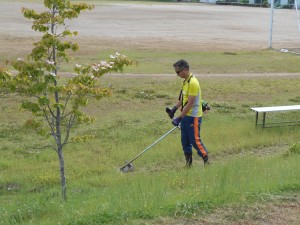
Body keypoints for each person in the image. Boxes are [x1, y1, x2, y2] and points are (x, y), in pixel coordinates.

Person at [166, 59, 209, 167]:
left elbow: (190, 103)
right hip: (185, 116)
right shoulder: (186, 81)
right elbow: (183, 99)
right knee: (185, 142)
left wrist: (179, 117)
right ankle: (188, 165)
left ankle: (207, 163)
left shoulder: (193, 83)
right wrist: (174, 109)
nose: (177, 74)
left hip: (193, 117)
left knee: (195, 141)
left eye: (178, 72)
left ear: (185, 70)